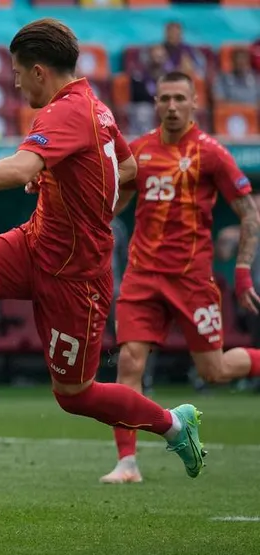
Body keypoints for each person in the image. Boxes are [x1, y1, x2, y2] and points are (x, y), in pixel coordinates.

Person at [0, 18, 207, 481]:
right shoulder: (97, 109)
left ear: (40, 71)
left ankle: (173, 424)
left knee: (75, 396)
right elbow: (126, 172)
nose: (15, 80)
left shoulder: (64, 112)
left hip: (76, 277)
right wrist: (69, 190)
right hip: (35, 242)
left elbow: (22, 165)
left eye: (18, 72)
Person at [101, 71, 260, 484]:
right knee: (130, 363)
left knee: (214, 371)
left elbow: (249, 213)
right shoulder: (140, 151)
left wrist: (242, 272)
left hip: (191, 279)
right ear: (155, 104)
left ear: (194, 104)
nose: (171, 106)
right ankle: (127, 464)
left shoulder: (212, 154)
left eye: (179, 99)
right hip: (142, 277)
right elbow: (114, 203)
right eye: (164, 98)